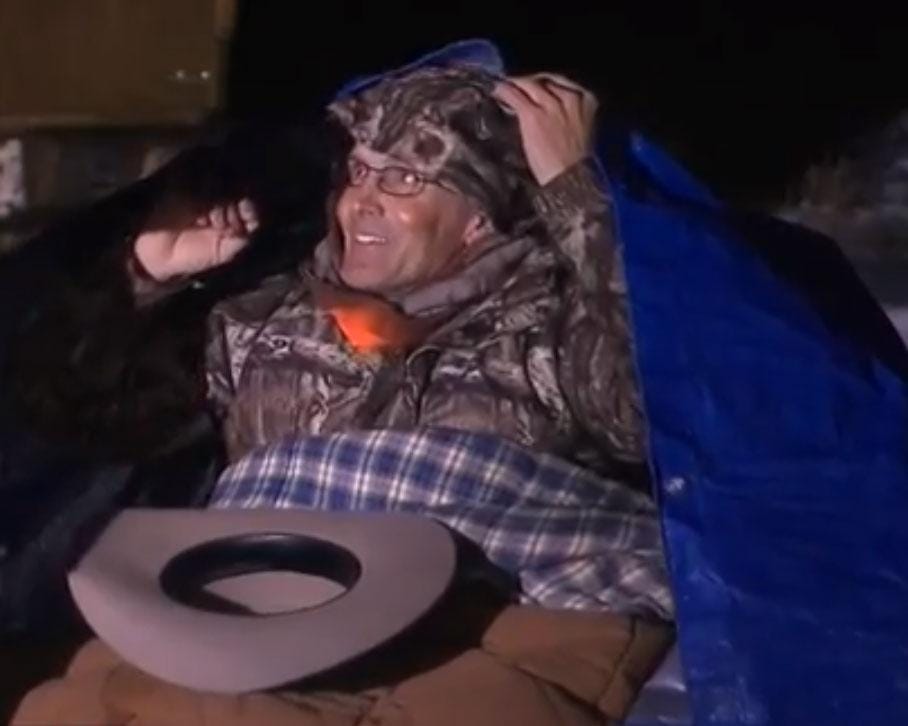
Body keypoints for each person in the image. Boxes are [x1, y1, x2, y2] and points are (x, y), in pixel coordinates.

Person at [11, 64, 674, 725]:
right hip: (259, 607)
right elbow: (78, 409)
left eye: (404, 178)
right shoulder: (265, 320)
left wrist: (575, 194)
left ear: (481, 214)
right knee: (73, 708)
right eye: (358, 171)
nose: (362, 201)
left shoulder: (553, 326)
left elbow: (659, 412)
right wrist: (147, 276)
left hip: (478, 623)